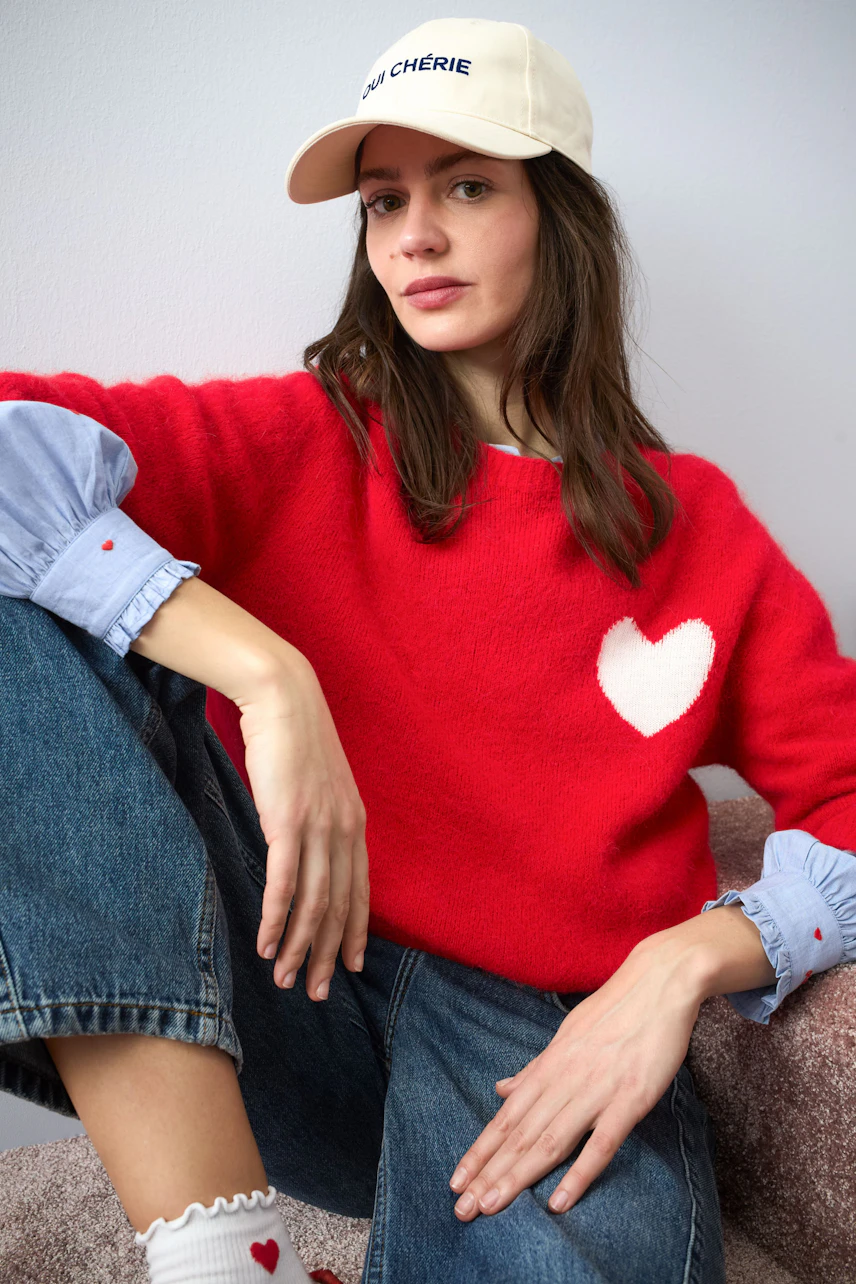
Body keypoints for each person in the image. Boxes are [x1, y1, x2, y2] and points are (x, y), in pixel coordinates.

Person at [1, 16, 854, 1284]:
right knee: (22, 604)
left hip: (538, 1032)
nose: (413, 236)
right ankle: (222, 1259)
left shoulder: (698, 529)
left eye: (465, 187)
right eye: (383, 199)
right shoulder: (305, 439)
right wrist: (269, 675)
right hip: (284, 966)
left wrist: (681, 962)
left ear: (558, 217)